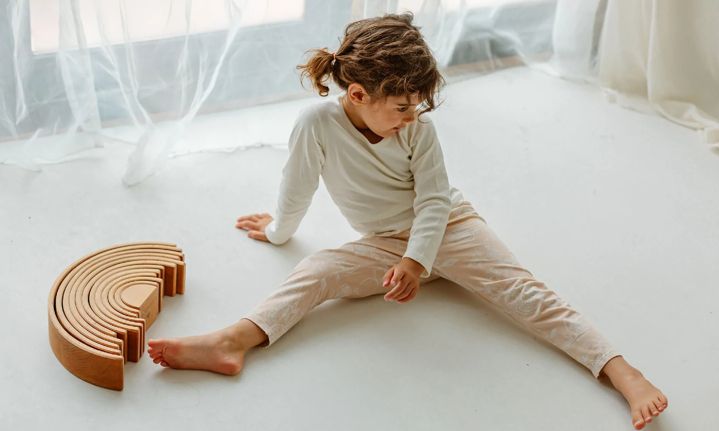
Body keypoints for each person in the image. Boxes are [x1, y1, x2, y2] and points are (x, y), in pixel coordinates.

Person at [147, 13, 667, 430]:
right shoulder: (316, 125)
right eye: (399, 107)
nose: (410, 116)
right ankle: (234, 341)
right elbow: (297, 185)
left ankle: (623, 373)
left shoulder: (418, 131)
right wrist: (279, 230)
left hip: (449, 229)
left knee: (524, 293)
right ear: (356, 95)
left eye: (417, 106)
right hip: (385, 246)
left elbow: (436, 201)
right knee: (319, 269)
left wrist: (418, 262)